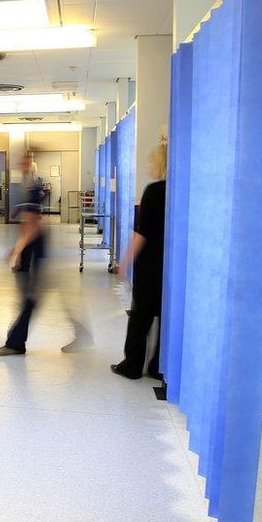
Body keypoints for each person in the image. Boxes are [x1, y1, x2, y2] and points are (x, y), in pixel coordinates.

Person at [111, 143, 168, 380]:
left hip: (151, 264)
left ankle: (132, 365)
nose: (148, 165)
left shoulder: (154, 191)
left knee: (140, 316)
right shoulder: (183, 190)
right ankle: (159, 366)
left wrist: (124, 262)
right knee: (166, 316)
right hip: (172, 265)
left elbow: (141, 233)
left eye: (151, 161)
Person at [0, 156, 47, 356]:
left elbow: (33, 225)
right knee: (33, 297)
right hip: (37, 243)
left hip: (38, 243)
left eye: (24, 163)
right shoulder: (28, 185)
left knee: (31, 298)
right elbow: (29, 218)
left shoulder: (32, 186)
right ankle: (16, 341)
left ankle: (15, 343)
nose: (20, 165)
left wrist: (17, 250)